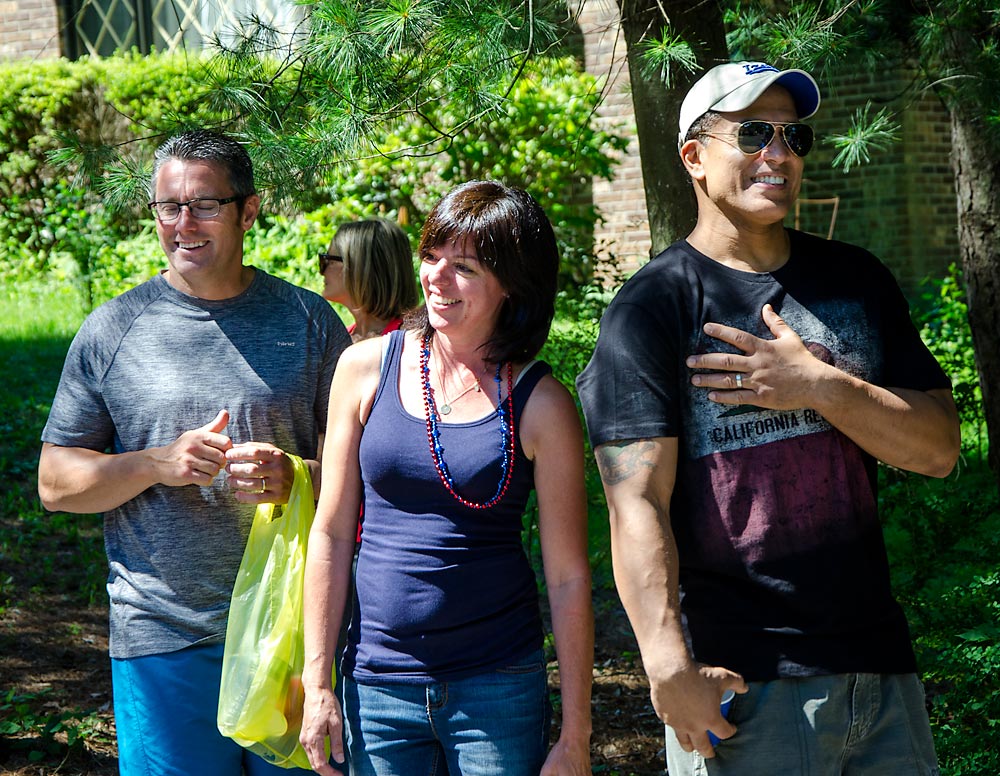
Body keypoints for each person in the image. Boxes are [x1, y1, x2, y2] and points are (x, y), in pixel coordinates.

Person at [577, 61, 961, 776]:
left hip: (880, 672)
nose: (778, 154)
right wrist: (668, 670)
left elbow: (939, 450)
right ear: (693, 155)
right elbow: (636, 502)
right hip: (742, 689)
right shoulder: (653, 309)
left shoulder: (856, 280)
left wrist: (819, 385)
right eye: (753, 133)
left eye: (793, 137)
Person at [37, 129, 352, 776]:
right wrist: (155, 464)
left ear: (250, 209)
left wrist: (297, 477)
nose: (184, 223)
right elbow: (55, 483)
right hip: (163, 638)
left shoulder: (310, 322)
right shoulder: (113, 331)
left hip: (293, 634)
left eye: (205, 204)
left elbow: (368, 476)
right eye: (168, 206)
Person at [299, 180, 594, 776]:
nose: (435, 277)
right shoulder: (362, 369)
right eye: (431, 256)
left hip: (497, 685)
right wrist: (317, 682)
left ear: (511, 284)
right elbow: (329, 532)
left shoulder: (543, 404)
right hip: (375, 680)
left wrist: (576, 734)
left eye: (464, 267)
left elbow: (567, 578)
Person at [320, 217, 420, 341]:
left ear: (360, 268)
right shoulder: (340, 339)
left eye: (328, 260)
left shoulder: (408, 343)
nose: (322, 271)